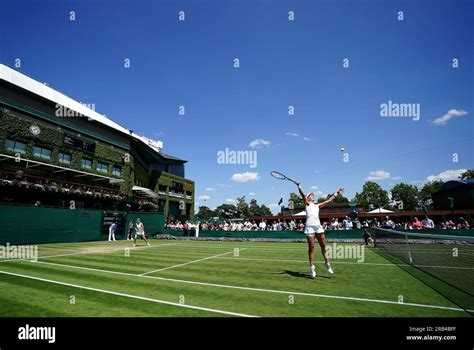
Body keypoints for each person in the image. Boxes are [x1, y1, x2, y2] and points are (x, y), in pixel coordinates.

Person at [295, 181, 344, 279]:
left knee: (323, 246)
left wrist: (337, 192)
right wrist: (298, 185)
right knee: (311, 248)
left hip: (318, 227)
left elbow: (329, 201)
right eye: (311, 195)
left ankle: (327, 263)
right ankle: (312, 268)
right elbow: (303, 195)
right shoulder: (306, 204)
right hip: (309, 227)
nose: (313, 195)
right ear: (308, 198)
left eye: (313, 195)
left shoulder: (317, 205)